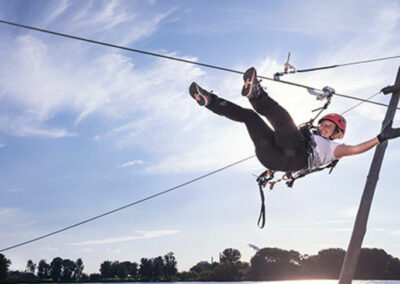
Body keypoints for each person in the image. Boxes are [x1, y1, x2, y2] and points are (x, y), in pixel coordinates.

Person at [189, 67, 400, 173]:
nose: (323, 127)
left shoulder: (334, 149)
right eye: (323, 124)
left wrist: (381, 137)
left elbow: (355, 150)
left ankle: (256, 94)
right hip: (270, 155)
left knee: (282, 119)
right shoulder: (311, 136)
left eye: (329, 127)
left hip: (294, 156)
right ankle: (210, 101)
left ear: (338, 134)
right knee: (250, 117)